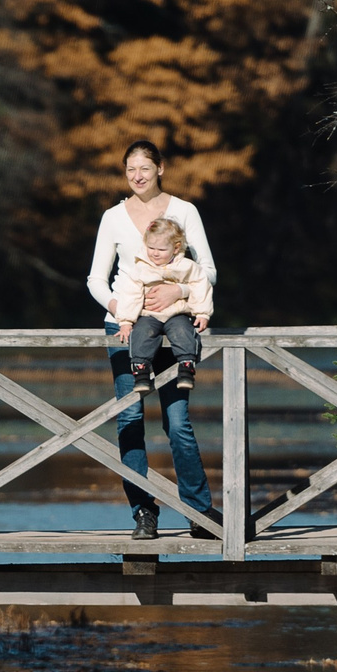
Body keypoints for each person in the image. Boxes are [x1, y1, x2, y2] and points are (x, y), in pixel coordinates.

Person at [86, 141, 220, 540]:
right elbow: (95, 278)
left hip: (175, 326)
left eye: (145, 167)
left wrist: (179, 294)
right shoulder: (112, 217)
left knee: (177, 422)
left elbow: (208, 269)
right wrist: (121, 306)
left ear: (161, 168)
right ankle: (144, 513)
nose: (138, 176)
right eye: (131, 170)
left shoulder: (184, 211)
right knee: (129, 418)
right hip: (125, 328)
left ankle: (199, 512)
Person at [109, 217, 214, 394]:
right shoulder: (141, 268)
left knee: (183, 330)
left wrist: (202, 313)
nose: (155, 253)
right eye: (151, 248)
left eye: (161, 249)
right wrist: (126, 321)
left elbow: (201, 285)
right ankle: (141, 371)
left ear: (176, 247)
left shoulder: (187, 266)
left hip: (177, 312)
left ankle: (186, 365)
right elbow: (130, 294)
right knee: (142, 332)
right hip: (149, 314)